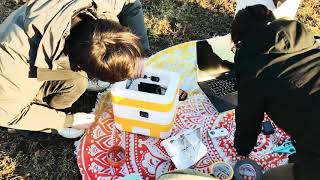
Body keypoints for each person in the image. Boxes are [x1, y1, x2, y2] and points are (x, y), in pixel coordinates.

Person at [0, 0, 146, 138]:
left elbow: (130, 4)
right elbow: (8, 114)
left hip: (45, 45)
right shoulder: (11, 68)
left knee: (78, 81)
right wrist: (68, 121)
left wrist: (141, 54)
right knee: (77, 82)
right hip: (16, 77)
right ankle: (40, 115)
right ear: (82, 68)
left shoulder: (100, 5)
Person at [232, 4, 320, 180]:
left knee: (271, 177)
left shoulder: (255, 71)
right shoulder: (309, 43)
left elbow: (248, 121)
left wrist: (243, 150)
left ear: (241, 43)